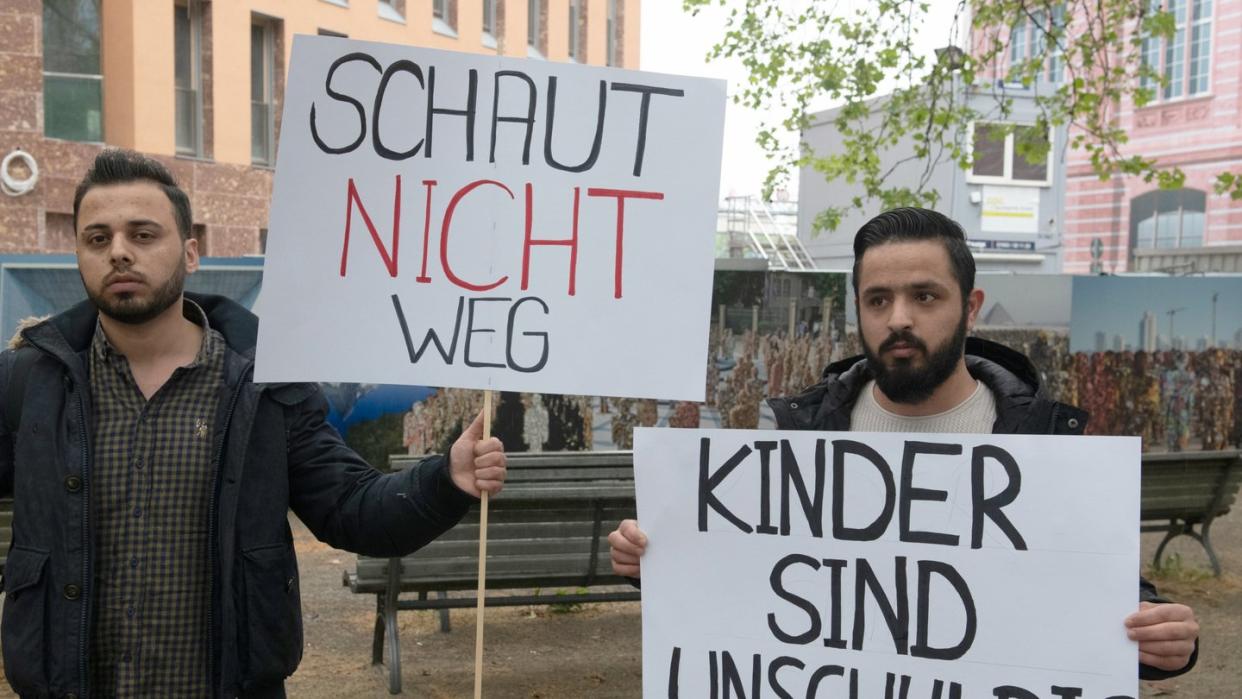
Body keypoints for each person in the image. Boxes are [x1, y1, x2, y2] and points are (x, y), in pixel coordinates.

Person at [609, 207, 1199, 681]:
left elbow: (1106, 593)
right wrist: (656, 561)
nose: (898, 319)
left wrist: (1164, 639)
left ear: (970, 307)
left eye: (924, 296)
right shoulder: (805, 433)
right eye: (878, 299)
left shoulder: (1042, 440)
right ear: (860, 310)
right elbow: (746, 578)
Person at [0, 149, 508, 697]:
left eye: (143, 235)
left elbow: (351, 510)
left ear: (191, 252)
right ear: (77, 251)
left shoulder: (265, 383)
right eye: (98, 238)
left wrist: (446, 480)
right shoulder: (29, 382)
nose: (119, 252)